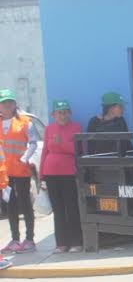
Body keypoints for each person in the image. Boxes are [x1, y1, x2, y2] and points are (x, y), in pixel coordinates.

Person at [40, 100, 83, 253]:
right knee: (58, 210)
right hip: (51, 173)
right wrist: (41, 175)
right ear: (54, 115)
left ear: (69, 113)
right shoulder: (49, 129)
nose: (62, 115)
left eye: (65, 112)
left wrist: (61, 144)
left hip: (68, 173)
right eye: (59, 112)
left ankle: (76, 242)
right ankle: (61, 243)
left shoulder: (76, 127)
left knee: (71, 208)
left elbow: (79, 150)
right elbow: (45, 150)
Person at [0, 89, 39, 254]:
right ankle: (15, 239)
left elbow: (33, 143)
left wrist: (25, 157)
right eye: (4, 102)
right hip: (5, 172)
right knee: (10, 205)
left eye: (10, 102)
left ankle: (29, 239)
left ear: (15, 104)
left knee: (25, 203)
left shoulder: (25, 122)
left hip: (21, 169)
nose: (7, 105)